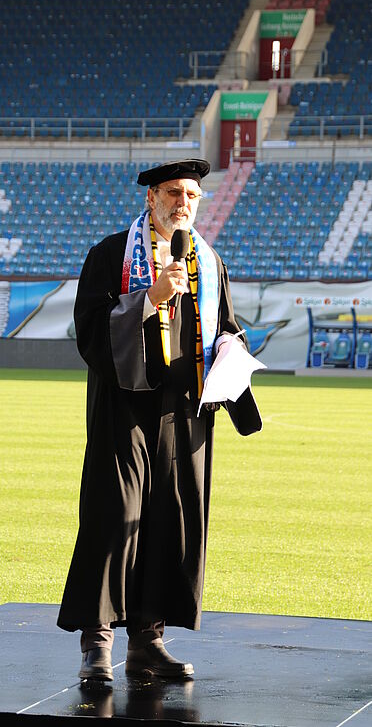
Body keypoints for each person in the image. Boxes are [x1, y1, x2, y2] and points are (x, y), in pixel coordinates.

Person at [57, 159, 262, 681]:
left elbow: (227, 329)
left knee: (172, 520)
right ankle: (97, 645)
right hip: (125, 405)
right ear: (151, 198)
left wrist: (234, 362)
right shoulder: (110, 255)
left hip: (185, 409)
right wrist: (150, 298)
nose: (183, 203)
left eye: (192, 195)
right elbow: (89, 330)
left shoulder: (210, 263)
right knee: (113, 517)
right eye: (173, 193)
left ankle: (148, 640)